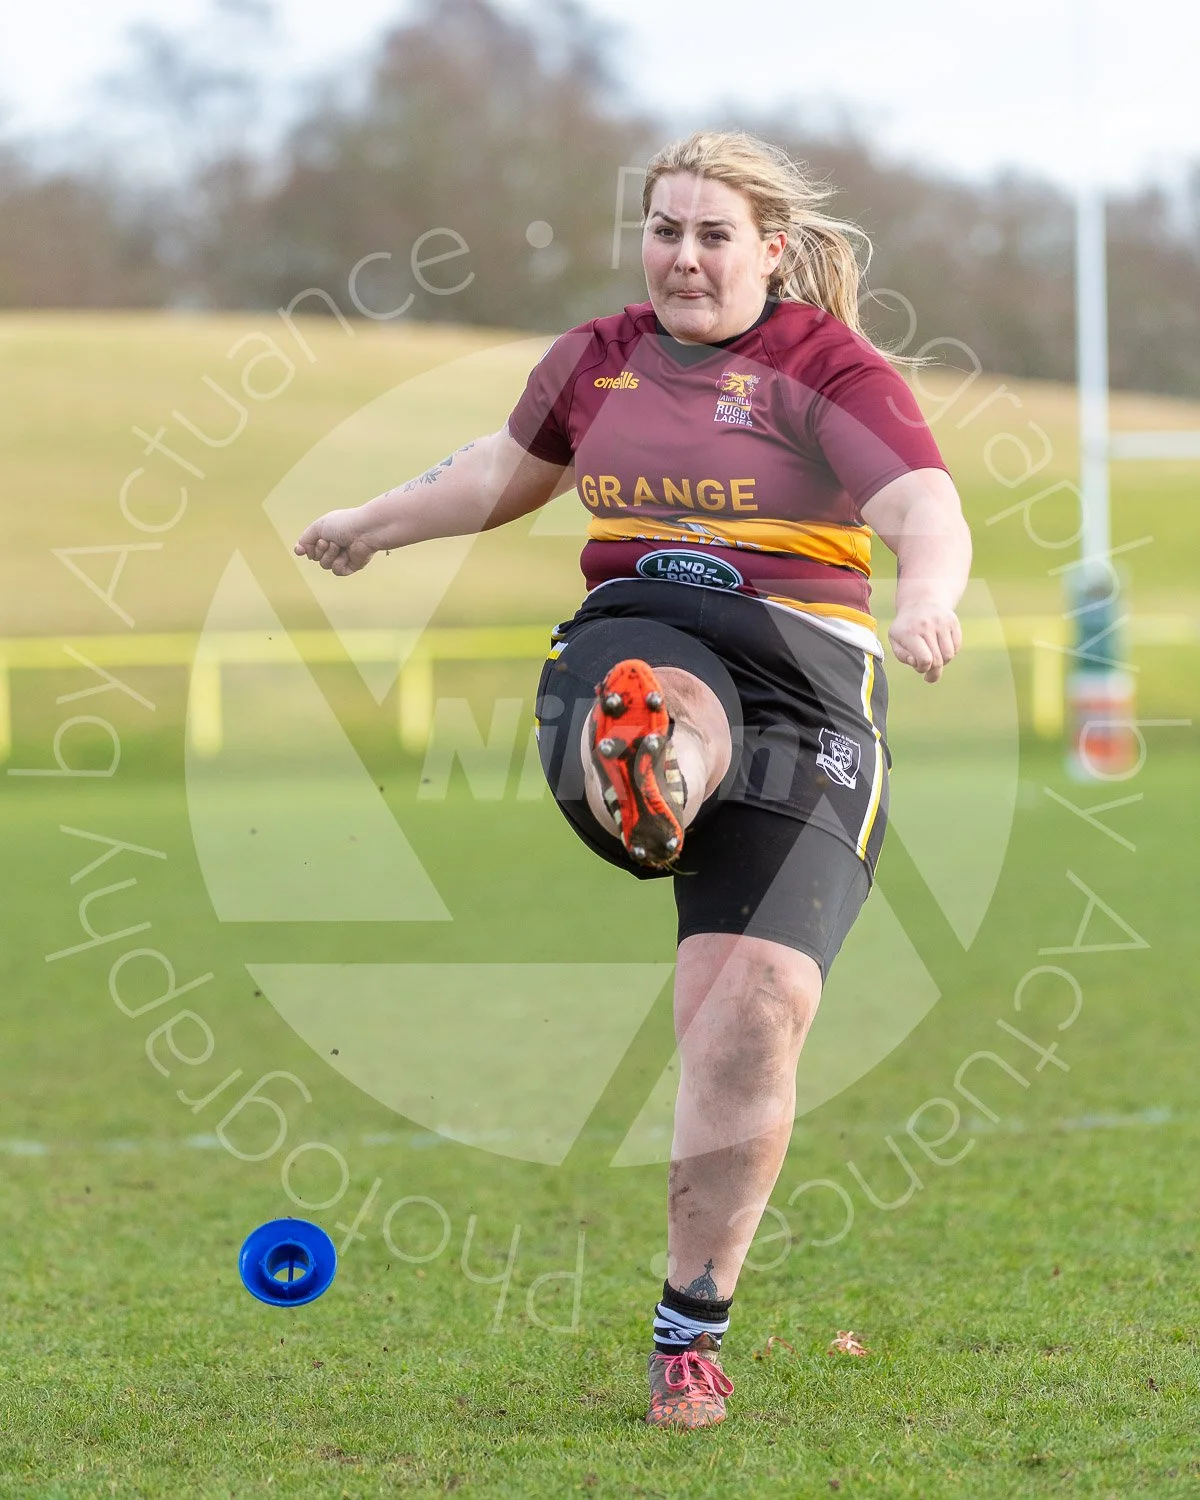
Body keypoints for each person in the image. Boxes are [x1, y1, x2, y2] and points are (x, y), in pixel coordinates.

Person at [295, 130, 971, 1429]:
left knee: (755, 1011)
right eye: (665, 229)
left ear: (772, 249)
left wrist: (931, 599)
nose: (684, 256)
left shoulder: (828, 368)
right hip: (642, 629)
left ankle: (689, 1331)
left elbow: (922, 504)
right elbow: (505, 474)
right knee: (666, 702)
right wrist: (371, 524)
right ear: (642, 238)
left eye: (714, 234)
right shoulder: (599, 360)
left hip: (814, 680)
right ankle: (653, 760)